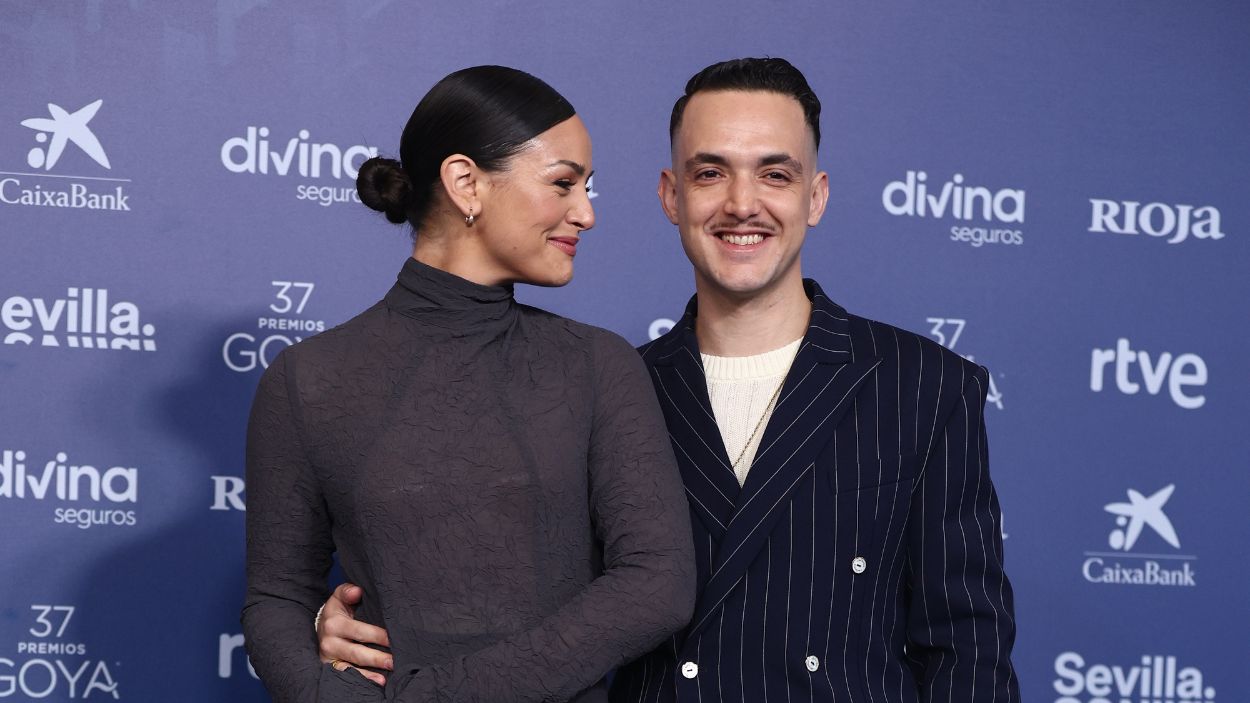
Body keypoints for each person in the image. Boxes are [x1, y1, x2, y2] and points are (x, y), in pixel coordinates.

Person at [318, 58, 1019, 702]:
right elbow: (499, 588)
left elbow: (968, 650)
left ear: (816, 196)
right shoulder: (601, 385)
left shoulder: (925, 386)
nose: (742, 203)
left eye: (775, 175)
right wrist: (347, 621)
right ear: (670, 195)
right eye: (711, 173)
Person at [242, 65, 695, 703]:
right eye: (563, 183)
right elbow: (277, 597)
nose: (586, 213)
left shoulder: (597, 365)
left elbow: (657, 583)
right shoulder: (308, 378)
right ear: (465, 183)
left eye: (587, 187)